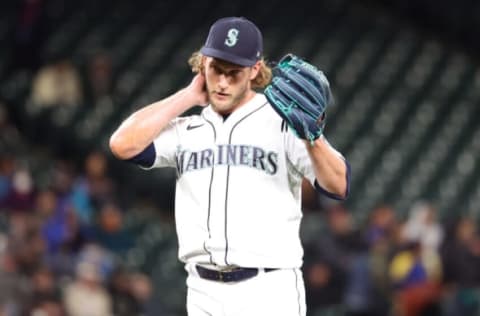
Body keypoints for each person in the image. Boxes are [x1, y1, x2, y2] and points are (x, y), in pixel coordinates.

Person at [109, 16, 350, 316]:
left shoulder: (282, 122)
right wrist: (187, 97)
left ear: (255, 70)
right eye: (216, 70)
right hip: (202, 289)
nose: (222, 83)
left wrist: (314, 139)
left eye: (234, 73)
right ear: (203, 65)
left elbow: (338, 185)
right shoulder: (187, 129)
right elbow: (122, 144)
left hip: (269, 288)